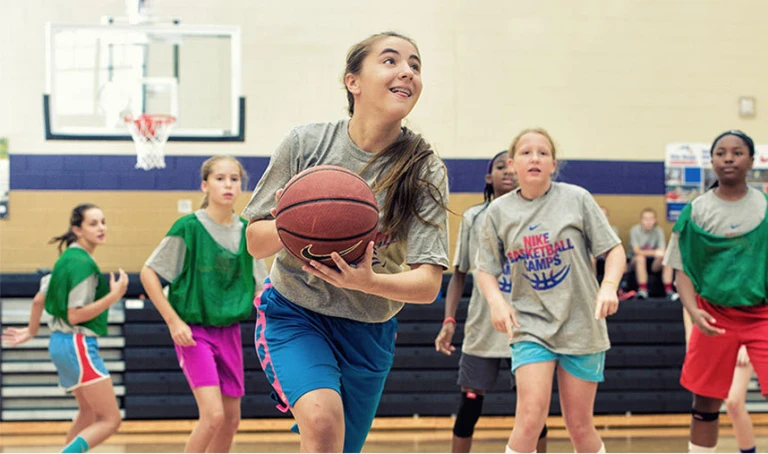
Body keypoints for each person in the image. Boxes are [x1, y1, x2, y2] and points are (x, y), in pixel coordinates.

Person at [242, 32, 450, 453]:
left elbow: (428, 285)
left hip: (369, 328)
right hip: (295, 312)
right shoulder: (306, 143)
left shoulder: (424, 168)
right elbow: (253, 242)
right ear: (352, 81)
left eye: (415, 64)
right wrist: (292, 224)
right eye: (390, 61)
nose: (407, 71)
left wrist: (366, 282)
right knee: (322, 424)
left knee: (338, 447)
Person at [475, 128, 626, 453]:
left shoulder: (577, 199)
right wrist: (496, 302)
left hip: (582, 323)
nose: (535, 158)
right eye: (527, 152)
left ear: (553, 164)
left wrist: (609, 287)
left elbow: (614, 251)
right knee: (530, 419)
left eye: (542, 153)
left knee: (580, 425)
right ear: (512, 164)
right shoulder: (498, 212)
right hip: (530, 326)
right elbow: (485, 269)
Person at [140, 156, 266, 453]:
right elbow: (149, 273)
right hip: (194, 331)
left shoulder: (249, 231)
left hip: (230, 331)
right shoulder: (188, 227)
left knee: (231, 419)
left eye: (234, 179)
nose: (228, 184)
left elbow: (263, 288)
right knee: (213, 416)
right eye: (220, 178)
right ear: (205, 185)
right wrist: (174, 322)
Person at [434, 150, 547, 453]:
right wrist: (448, 322)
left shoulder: (538, 216)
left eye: (512, 166)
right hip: (483, 329)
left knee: (534, 410)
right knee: (469, 406)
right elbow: (458, 274)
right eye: (500, 166)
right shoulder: (473, 217)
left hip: (528, 327)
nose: (508, 172)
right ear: (489, 177)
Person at [663, 130, 765, 453]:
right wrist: (694, 312)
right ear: (712, 161)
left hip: (761, 314)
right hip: (713, 314)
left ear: (751, 160)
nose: (729, 158)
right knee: (705, 403)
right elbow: (682, 272)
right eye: (721, 153)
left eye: (737, 152)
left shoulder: (764, 206)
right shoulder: (697, 211)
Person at [3, 204, 128, 453]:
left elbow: (39, 299)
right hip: (76, 344)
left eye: (103, 222)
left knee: (88, 412)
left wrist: (31, 330)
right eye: (93, 223)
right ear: (77, 229)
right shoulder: (81, 264)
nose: (102, 228)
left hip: (59, 344)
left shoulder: (67, 258)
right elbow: (74, 315)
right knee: (110, 420)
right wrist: (114, 296)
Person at [682, 312, 757, 453]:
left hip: (752, 329)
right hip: (715, 331)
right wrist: (690, 336)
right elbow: (688, 303)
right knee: (709, 403)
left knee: (733, 401)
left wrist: (750, 340)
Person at [628, 208, 675, 299]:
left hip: (653, 263)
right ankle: (643, 290)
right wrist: (654, 252)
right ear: (641, 220)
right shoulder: (635, 230)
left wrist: (658, 254)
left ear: (655, 220)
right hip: (635, 262)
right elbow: (636, 251)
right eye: (646, 219)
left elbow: (662, 251)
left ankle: (669, 291)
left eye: (651, 219)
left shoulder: (658, 231)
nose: (648, 222)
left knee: (666, 257)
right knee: (640, 258)